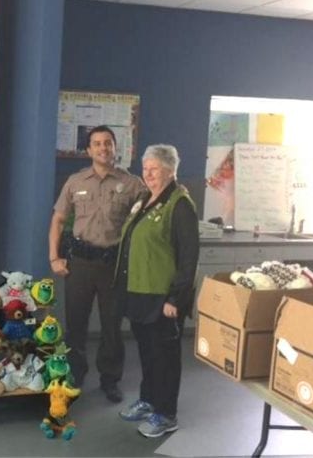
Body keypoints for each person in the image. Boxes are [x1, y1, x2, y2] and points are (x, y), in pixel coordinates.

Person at [48, 125, 145, 402]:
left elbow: (149, 216)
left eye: (108, 143)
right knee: (76, 325)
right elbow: (57, 220)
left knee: (112, 326)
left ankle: (110, 380)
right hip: (79, 263)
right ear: (88, 150)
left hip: (112, 265)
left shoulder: (132, 184)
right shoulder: (75, 182)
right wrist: (54, 257)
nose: (103, 148)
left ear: (116, 148)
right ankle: (75, 375)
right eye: (97, 144)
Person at [114, 144, 199, 438]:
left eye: (154, 169)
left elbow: (189, 258)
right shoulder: (147, 200)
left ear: (170, 170)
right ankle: (149, 400)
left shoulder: (179, 204)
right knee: (148, 353)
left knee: (165, 356)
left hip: (163, 299)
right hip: (140, 293)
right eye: (145, 168)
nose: (147, 174)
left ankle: (166, 414)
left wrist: (175, 298)